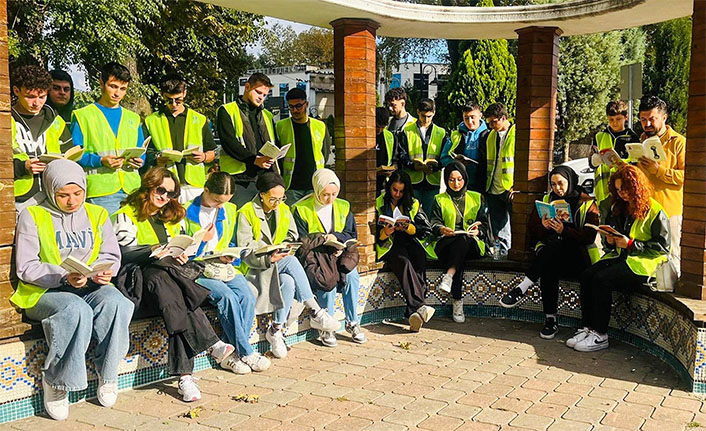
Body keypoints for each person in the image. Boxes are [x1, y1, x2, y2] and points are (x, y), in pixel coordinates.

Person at [10, 159, 133, 421]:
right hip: (43, 292)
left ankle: (108, 374)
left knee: (117, 302)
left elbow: (111, 253)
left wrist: (105, 270)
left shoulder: (97, 214)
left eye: (77, 193)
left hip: (87, 285)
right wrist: (64, 276)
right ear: (50, 189)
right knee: (75, 309)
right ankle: (57, 383)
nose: (71, 201)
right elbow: (26, 266)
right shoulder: (32, 215)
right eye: (63, 195)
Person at [111, 167, 236, 402]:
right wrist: (152, 251)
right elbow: (122, 254)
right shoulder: (126, 213)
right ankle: (210, 345)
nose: (164, 197)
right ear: (149, 186)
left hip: (167, 282)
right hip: (138, 279)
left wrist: (181, 254)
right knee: (167, 281)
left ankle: (185, 378)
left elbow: (180, 246)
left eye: (170, 193)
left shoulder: (170, 213)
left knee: (175, 298)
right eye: (160, 190)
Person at [236, 172, 339, 358]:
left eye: (282, 198)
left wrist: (285, 247)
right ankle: (315, 311)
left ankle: (276, 329)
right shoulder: (246, 212)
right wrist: (268, 255)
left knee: (288, 282)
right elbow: (245, 249)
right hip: (256, 269)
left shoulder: (283, 209)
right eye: (273, 199)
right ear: (261, 194)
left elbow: (292, 236)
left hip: (278, 263)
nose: (278, 203)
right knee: (291, 262)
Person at [569, 165, 669, 352]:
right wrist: (610, 241)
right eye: (618, 190)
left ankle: (600, 334)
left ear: (636, 186)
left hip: (644, 264)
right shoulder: (618, 207)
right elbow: (614, 243)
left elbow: (663, 248)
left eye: (625, 189)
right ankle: (588, 328)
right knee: (587, 275)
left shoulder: (655, 210)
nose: (622, 193)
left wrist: (631, 244)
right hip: (622, 256)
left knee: (601, 279)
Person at [182, 172, 271, 374]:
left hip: (223, 266)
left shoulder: (228, 210)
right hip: (198, 269)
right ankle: (246, 352)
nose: (220, 206)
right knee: (228, 297)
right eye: (215, 201)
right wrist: (203, 240)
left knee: (247, 295)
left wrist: (231, 256)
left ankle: (235, 352)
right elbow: (184, 251)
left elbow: (230, 242)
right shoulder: (187, 212)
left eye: (225, 201)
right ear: (205, 190)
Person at [499, 166, 599, 339]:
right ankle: (550, 320)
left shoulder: (587, 203)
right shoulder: (547, 199)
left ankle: (522, 288)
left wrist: (564, 231)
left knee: (552, 251)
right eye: (553, 184)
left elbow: (589, 237)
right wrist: (543, 227)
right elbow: (532, 228)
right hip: (553, 256)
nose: (557, 188)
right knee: (548, 263)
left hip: (578, 258)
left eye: (561, 183)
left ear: (571, 181)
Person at [292, 168, 366, 347]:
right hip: (316, 257)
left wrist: (339, 241)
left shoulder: (343, 206)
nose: (330, 199)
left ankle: (352, 322)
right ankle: (327, 327)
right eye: (325, 194)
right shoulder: (301, 209)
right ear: (317, 190)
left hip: (339, 252)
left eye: (334, 194)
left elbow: (351, 233)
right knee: (326, 282)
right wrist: (324, 240)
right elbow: (300, 241)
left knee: (352, 276)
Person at [71, 62, 145, 215]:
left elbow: (141, 150)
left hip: (133, 189)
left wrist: (139, 160)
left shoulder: (134, 118)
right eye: (113, 86)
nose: (117, 93)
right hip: (100, 192)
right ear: (101, 82)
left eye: (123, 89)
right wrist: (100, 161)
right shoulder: (83, 115)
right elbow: (73, 155)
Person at [375, 170, 436, 331]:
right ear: (389, 188)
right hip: (390, 245)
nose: (397, 194)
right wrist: (385, 232)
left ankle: (413, 313)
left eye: (401, 191)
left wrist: (410, 228)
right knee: (403, 261)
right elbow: (373, 234)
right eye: (394, 190)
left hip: (409, 241)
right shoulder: (379, 202)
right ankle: (420, 307)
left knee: (419, 257)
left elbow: (425, 229)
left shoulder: (413, 203)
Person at [431, 161, 489, 323]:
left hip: (472, 243)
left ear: (465, 179)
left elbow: (485, 224)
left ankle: (449, 277)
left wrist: (479, 231)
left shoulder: (477, 197)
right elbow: (433, 222)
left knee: (463, 241)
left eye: (459, 179)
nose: (456, 184)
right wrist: (442, 229)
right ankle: (457, 302)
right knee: (459, 252)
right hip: (446, 242)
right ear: (446, 180)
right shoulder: (439, 199)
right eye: (451, 180)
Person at [144, 75, 216, 202]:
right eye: (169, 100)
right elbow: (145, 153)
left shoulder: (200, 119)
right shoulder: (151, 121)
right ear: (162, 94)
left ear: (185, 93)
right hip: (164, 185)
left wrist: (203, 157)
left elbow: (211, 153)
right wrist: (157, 160)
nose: (173, 104)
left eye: (178, 100)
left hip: (194, 185)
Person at [637, 96, 685, 278]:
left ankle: (672, 295)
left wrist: (659, 171)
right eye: (643, 120)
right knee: (647, 253)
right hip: (645, 210)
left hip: (670, 211)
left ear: (664, 118)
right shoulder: (641, 140)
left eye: (652, 119)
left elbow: (686, 177)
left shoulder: (679, 142)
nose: (647, 124)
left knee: (671, 254)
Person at [11, 65, 73, 206]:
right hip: (17, 198)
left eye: (42, 96)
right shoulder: (5, 120)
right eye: (30, 96)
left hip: (53, 195)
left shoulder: (56, 121)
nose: (36, 103)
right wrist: (23, 167)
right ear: (16, 91)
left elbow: (70, 154)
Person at [217, 73, 276, 207]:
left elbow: (273, 142)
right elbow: (229, 143)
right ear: (247, 87)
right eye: (258, 92)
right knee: (240, 220)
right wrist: (255, 160)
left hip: (265, 178)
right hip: (240, 179)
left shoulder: (267, 115)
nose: (261, 97)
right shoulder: (227, 110)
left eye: (265, 95)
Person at [275, 88, 331, 203]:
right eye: (291, 107)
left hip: (314, 186)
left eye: (298, 106)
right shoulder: (280, 126)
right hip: (290, 186)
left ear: (306, 104)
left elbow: (325, 153)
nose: (295, 110)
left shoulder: (320, 126)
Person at [478, 102, 516, 257]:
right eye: (489, 122)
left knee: (515, 223)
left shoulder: (516, 133)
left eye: (494, 121)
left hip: (510, 188)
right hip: (493, 186)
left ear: (504, 118)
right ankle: (502, 252)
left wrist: (517, 186)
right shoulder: (489, 136)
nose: (491, 125)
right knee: (498, 225)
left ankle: (512, 252)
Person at [398, 98, 447, 214]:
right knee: (411, 214)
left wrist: (435, 167)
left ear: (434, 113)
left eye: (429, 116)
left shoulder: (441, 132)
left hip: (432, 181)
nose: (426, 119)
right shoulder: (407, 131)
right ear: (418, 112)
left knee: (430, 215)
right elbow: (402, 154)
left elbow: (444, 157)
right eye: (423, 116)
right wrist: (412, 166)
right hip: (413, 181)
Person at [589, 100, 640, 207]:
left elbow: (637, 162)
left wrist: (624, 164)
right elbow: (591, 163)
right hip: (604, 191)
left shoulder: (632, 137)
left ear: (626, 117)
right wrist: (595, 159)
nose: (614, 123)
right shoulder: (599, 136)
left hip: (625, 189)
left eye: (618, 119)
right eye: (611, 120)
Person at [440, 102, 487, 192]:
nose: (469, 121)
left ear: (480, 115)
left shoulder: (488, 135)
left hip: (482, 184)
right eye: (466, 118)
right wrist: (456, 163)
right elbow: (444, 158)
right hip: (459, 185)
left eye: (472, 117)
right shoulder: (456, 135)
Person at [375, 107, 396, 192]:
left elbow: (395, 159)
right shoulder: (366, 136)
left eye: (383, 127)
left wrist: (391, 170)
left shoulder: (390, 136)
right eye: (377, 126)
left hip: (384, 183)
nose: (379, 130)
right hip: (367, 182)